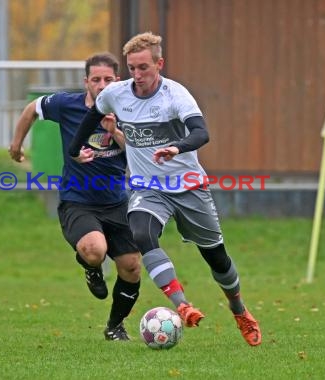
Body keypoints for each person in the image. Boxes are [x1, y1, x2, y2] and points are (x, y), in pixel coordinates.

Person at [68, 32, 262, 346]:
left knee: (217, 258)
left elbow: (201, 133)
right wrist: (75, 149)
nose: (137, 75)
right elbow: (90, 117)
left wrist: (177, 147)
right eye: (132, 68)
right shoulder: (117, 94)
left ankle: (239, 310)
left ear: (160, 63)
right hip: (148, 186)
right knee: (142, 234)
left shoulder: (176, 95)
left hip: (188, 186)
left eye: (144, 67)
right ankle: (182, 304)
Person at [9, 52, 141, 341]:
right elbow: (32, 108)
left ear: (117, 80)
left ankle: (115, 327)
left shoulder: (129, 109)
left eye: (108, 79)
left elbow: (137, 151)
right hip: (78, 200)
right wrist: (17, 146)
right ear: (86, 82)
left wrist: (115, 131)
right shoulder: (66, 104)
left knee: (131, 267)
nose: (102, 84)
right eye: (96, 79)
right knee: (95, 250)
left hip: (117, 200)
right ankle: (90, 267)